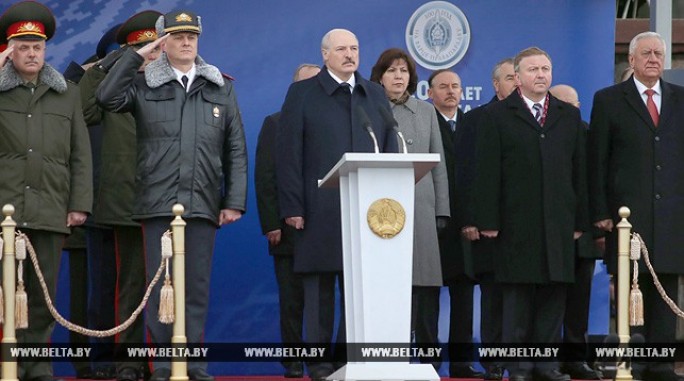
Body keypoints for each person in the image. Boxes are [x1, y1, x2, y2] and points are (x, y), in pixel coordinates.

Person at [96, 9, 247, 381]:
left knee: (194, 289)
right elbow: (105, 98)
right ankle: (164, 364)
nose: (185, 43)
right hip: (157, 202)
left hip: (202, 202)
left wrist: (234, 201)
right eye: (177, 37)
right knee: (161, 288)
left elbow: (236, 149)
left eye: (191, 37)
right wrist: (138, 56)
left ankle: (193, 364)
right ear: (163, 42)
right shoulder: (146, 83)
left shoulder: (219, 87)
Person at [276, 28, 397, 380]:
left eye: (355, 48)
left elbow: (388, 143)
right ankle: (317, 361)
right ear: (325, 54)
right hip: (319, 207)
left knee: (359, 289)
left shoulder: (373, 93)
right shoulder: (302, 93)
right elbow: (288, 154)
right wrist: (292, 207)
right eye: (341, 49)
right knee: (319, 290)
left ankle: (349, 359)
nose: (350, 54)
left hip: (368, 211)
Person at [473, 47, 588, 381]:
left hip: (558, 223)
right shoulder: (497, 115)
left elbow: (579, 171)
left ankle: (546, 365)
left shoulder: (567, 115)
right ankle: (520, 366)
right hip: (514, 224)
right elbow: (486, 172)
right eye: (534, 69)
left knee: (553, 297)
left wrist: (580, 221)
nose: (541, 75)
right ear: (518, 76)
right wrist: (488, 221)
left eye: (546, 69)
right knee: (518, 299)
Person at [0, 2, 92, 381]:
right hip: (4, 209)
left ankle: (36, 364)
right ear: (9, 50)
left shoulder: (67, 93)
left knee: (41, 297)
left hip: (51, 208)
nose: (32, 53)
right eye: (23, 46)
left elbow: (80, 154)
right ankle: (8, 364)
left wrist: (79, 204)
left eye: (37, 46)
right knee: (5, 297)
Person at [589, 31, 684, 381]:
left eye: (659, 53)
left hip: (672, 217)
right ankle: (633, 363)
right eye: (646, 53)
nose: (654, 59)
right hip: (628, 218)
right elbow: (597, 160)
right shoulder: (609, 100)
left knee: (666, 292)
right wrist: (600, 212)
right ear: (631, 60)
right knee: (631, 291)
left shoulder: (680, 99)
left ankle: (660, 365)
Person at [81, 10, 162, 381]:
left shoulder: (176, 85)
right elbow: (84, 109)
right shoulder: (113, 91)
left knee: (172, 288)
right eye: (143, 51)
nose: (151, 57)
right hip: (126, 205)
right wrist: (112, 61)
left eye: (155, 49)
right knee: (129, 287)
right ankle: (129, 361)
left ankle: (167, 361)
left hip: (167, 202)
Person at [370, 48, 449, 372]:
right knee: (387, 286)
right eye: (392, 70)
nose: (399, 76)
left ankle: (429, 360)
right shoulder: (366, 109)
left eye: (404, 71)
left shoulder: (426, 112)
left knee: (425, 283)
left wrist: (441, 209)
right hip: (380, 211)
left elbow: (439, 163)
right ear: (380, 76)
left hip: (421, 208)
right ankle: (386, 358)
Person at [255, 63, 320, 379]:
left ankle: (323, 361)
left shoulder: (334, 124)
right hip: (288, 231)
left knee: (323, 302)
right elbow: (265, 178)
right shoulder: (275, 123)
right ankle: (293, 360)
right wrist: (272, 223)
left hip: (326, 231)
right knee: (292, 301)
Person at [456, 57, 517, 381]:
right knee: (493, 297)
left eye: (517, 76)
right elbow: (464, 172)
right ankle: (494, 363)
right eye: (509, 77)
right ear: (496, 85)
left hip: (525, 225)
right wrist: (468, 219)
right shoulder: (476, 119)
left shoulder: (537, 120)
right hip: (488, 227)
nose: (516, 82)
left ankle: (522, 361)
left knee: (524, 297)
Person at [426, 68, 483, 379]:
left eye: (455, 86)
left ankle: (462, 363)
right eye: (443, 86)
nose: (450, 92)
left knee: (464, 297)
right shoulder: (423, 123)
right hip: (432, 224)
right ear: (430, 92)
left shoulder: (473, 124)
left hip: (466, 226)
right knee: (428, 300)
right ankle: (429, 364)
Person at [549, 84, 603, 380]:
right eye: (564, 104)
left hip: (584, 235)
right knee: (550, 302)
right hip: (551, 233)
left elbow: (596, 184)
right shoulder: (543, 136)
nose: (571, 110)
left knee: (579, 301)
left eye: (575, 104)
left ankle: (575, 358)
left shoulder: (589, 134)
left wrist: (597, 227)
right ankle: (548, 360)